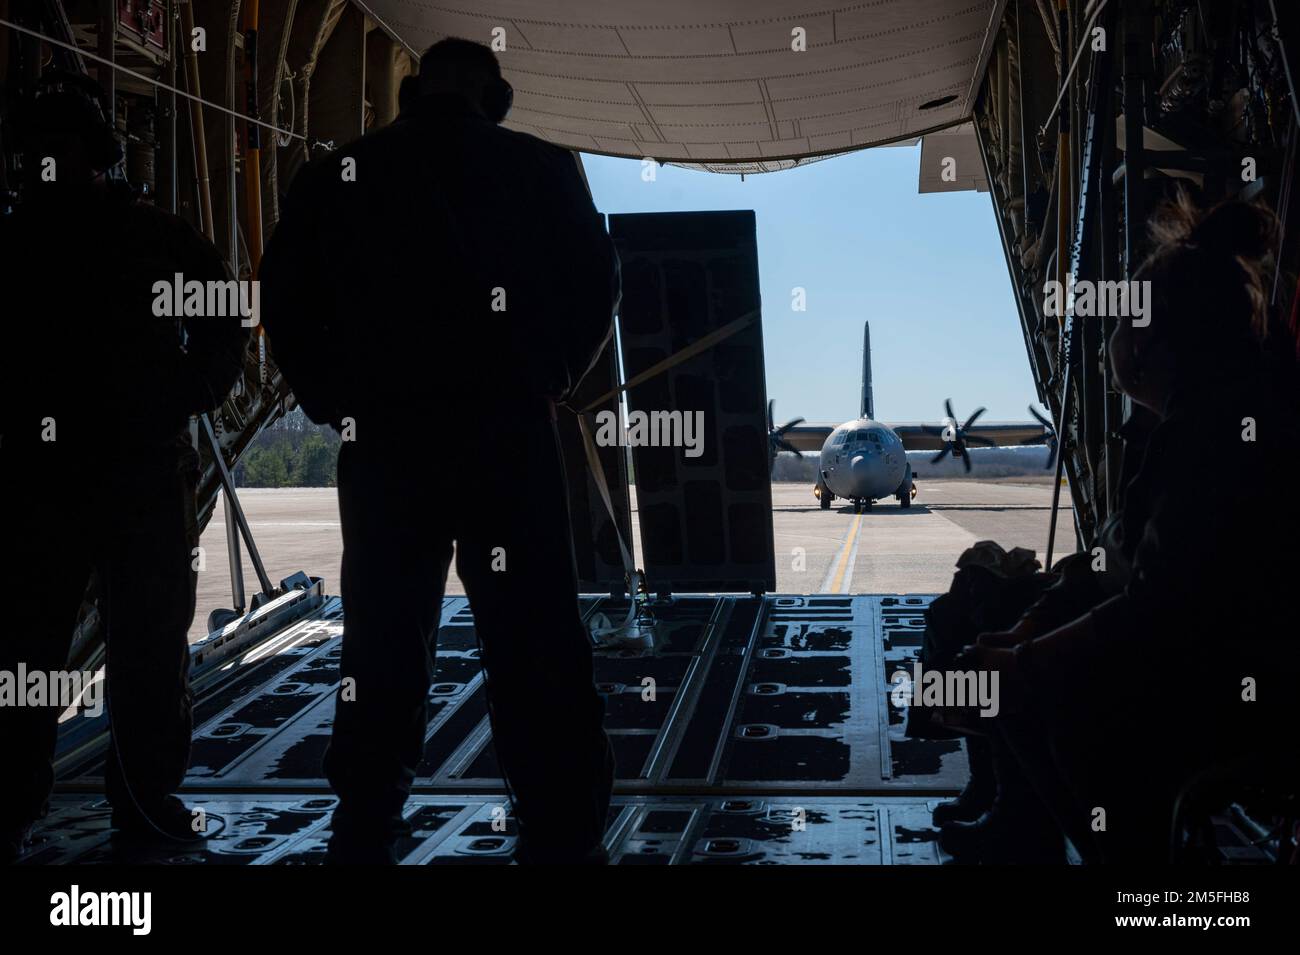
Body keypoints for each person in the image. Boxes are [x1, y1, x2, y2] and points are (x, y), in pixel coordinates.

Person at [259, 38, 621, 864]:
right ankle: (561, 820)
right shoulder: (538, 167)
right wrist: (555, 370)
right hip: (504, 434)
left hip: (387, 440)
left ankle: (367, 812)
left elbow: (284, 295)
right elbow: (595, 276)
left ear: (415, 90)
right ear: (492, 96)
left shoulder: (340, 177)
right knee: (532, 633)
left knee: (385, 634)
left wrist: (332, 395)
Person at [958, 193, 1300, 863]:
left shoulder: (1215, 437)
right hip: (1209, 660)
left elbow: (1155, 608)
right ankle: (1034, 827)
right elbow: (1112, 564)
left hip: (1239, 684)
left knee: (1046, 700)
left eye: (1119, 323)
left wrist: (1024, 661)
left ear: (1150, 344)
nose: (1110, 338)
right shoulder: (1190, 419)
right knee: (976, 614)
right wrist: (1024, 628)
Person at [0, 72, 250, 862]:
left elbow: (222, 317)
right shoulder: (117, 239)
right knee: (59, 643)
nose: (44, 163)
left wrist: (191, 389)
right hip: (96, 468)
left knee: (121, 643)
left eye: (54, 149)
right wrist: (191, 389)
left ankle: (120, 798)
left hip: (103, 466)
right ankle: (68, 798)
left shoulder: (126, 239)